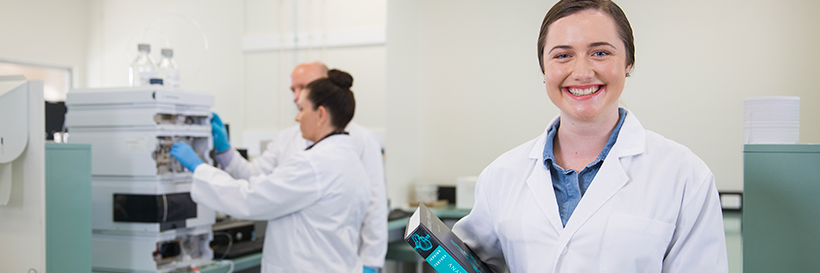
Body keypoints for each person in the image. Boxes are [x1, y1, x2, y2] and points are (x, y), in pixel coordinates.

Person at [451, 0, 728, 272]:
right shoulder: (501, 176)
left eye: (600, 53)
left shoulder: (684, 175)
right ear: (544, 68)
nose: (582, 72)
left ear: (628, 63)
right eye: (562, 55)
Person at [170, 69, 371, 272]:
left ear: (320, 114)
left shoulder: (314, 164)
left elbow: (251, 198)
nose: (297, 118)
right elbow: (261, 179)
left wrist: (199, 169)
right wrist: (225, 151)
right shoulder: (351, 160)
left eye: (301, 109)